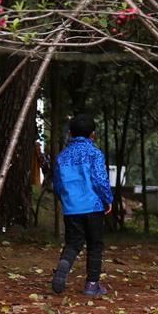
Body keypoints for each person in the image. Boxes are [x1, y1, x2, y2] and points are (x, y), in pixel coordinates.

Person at [51, 114, 113, 297]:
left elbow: (58, 184)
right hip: (93, 206)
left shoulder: (62, 156)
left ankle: (64, 264)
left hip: (72, 208)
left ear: (70, 133)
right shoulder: (94, 153)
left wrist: (66, 201)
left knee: (73, 243)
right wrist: (107, 199)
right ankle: (92, 285)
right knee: (95, 245)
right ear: (92, 134)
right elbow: (100, 180)